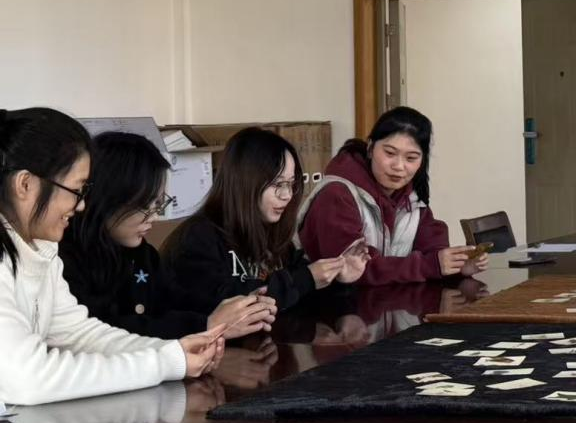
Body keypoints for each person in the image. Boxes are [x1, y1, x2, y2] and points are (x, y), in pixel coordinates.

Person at [0, 108, 223, 407]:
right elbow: (29, 379)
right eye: (76, 190)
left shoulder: (43, 249)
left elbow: (79, 334)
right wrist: (164, 363)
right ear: (25, 184)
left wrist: (171, 351)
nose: (81, 205)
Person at [60, 131, 277, 340]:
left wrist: (241, 306)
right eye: (146, 205)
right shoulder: (64, 261)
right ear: (108, 199)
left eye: (158, 204)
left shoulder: (143, 254)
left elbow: (176, 299)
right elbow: (106, 331)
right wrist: (207, 325)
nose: (154, 217)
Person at [163, 128, 367, 316]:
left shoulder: (271, 232)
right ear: (245, 183)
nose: (287, 195)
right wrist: (306, 279)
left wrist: (340, 279)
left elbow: (298, 291)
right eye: (278, 184)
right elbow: (229, 305)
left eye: (291, 184)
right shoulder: (198, 238)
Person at [297, 107, 487, 283]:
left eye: (411, 158)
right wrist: (430, 266)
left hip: (388, 304)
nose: (398, 166)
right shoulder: (337, 194)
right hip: (329, 305)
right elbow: (350, 270)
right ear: (370, 148)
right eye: (389, 153)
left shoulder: (411, 198)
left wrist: (457, 267)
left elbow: (433, 251)